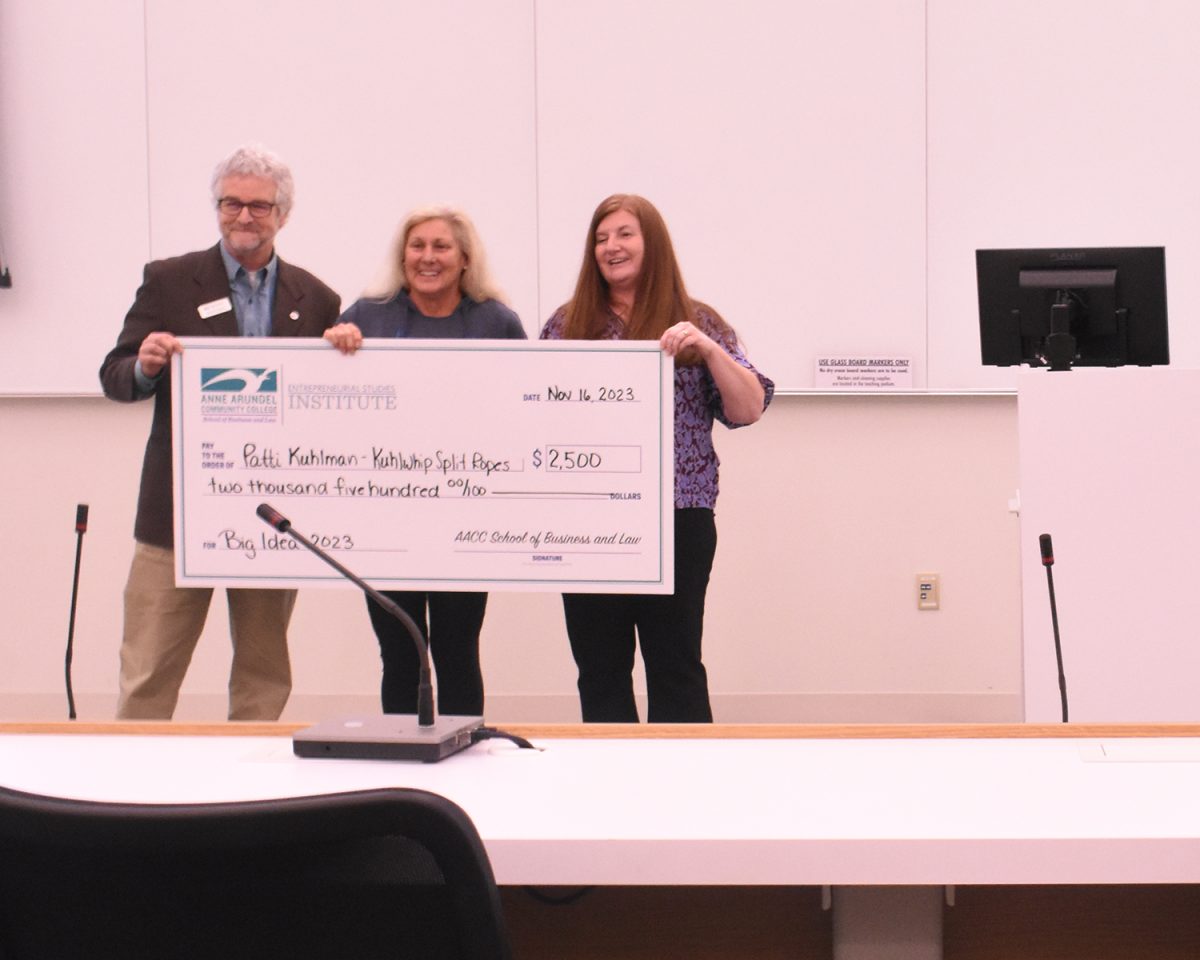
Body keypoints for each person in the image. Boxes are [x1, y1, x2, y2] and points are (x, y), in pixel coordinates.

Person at [100, 144, 341, 720]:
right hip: (176, 516)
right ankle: (132, 797)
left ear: (283, 214)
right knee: (148, 673)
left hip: (271, 516)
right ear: (217, 207)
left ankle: (249, 798)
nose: (243, 217)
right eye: (231, 203)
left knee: (263, 679)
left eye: (259, 206)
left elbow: (327, 411)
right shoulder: (169, 281)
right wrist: (146, 366)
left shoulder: (317, 300)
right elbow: (116, 375)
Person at [540, 194, 774, 723]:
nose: (611, 247)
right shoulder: (566, 324)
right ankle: (609, 793)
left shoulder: (699, 321)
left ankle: (687, 794)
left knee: (676, 668)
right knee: (600, 672)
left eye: (624, 234)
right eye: (600, 238)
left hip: (678, 519)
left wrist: (709, 350)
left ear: (653, 243)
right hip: (589, 525)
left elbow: (749, 408)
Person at [323, 206, 525, 716]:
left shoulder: (497, 322)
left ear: (464, 259)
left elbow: (524, 408)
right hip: (386, 518)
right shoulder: (366, 316)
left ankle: (466, 754)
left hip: (468, 516)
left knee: (458, 652)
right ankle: (403, 757)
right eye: (417, 246)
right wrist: (331, 347)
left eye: (441, 247)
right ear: (403, 255)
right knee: (399, 653)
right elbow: (325, 401)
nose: (427, 257)